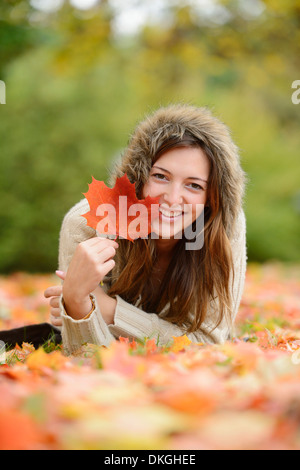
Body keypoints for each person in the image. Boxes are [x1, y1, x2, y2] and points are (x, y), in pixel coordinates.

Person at [44, 104, 248, 354]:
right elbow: (87, 357)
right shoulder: (87, 224)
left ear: (211, 198)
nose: (173, 199)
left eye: (194, 186)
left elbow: (207, 345)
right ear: (138, 179)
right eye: (161, 176)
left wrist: (107, 310)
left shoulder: (225, 226)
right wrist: (77, 303)